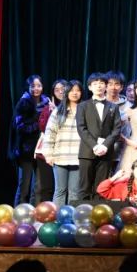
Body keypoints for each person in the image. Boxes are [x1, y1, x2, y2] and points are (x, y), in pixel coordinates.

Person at [75, 72, 123, 204]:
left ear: (106, 86)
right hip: (87, 152)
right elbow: (81, 128)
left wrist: (105, 145)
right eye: (95, 84)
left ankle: (99, 214)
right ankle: (82, 213)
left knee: (101, 188)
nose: (99, 86)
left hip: (106, 152)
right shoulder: (82, 106)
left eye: (102, 83)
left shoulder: (113, 107)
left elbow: (117, 129)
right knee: (84, 187)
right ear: (90, 87)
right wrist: (95, 146)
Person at [43, 79, 83, 207]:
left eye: (78, 90)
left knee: (74, 192)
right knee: (60, 191)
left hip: (78, 157)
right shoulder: (58, 111)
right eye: (72, 90)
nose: (75, 93)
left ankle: (72, 218)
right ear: (67, 92)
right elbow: (50, 133)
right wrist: (48, 154)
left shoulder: (85, 110)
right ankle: (57, 218)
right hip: (60, 156)